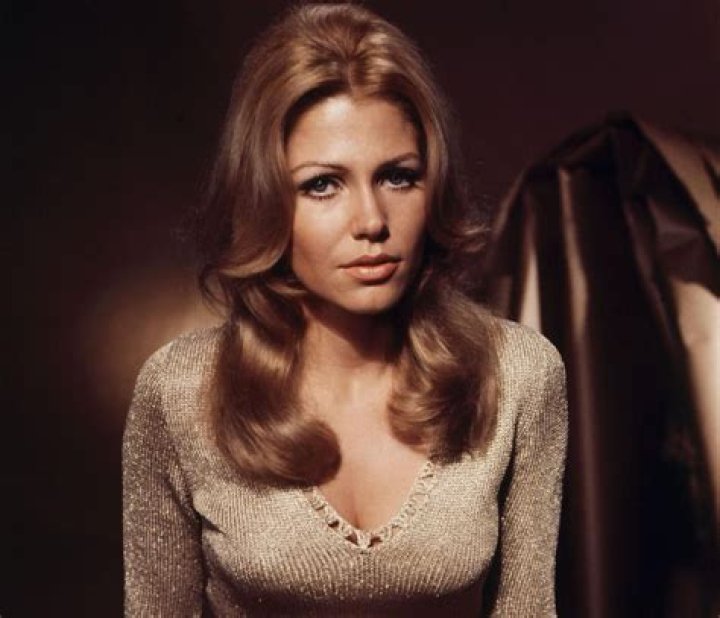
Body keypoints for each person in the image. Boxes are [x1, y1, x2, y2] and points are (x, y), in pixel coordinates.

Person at [122, 3, 568, 616]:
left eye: (398, 177)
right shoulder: (183, 391)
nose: (372, 222)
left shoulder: (518, 374)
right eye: (322, 185)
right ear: (265, 200)